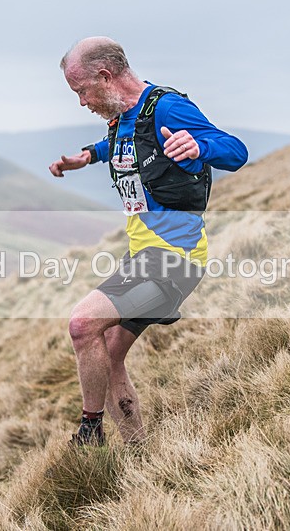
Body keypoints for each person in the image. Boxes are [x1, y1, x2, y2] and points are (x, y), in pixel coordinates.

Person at [49, 36, 247, 446]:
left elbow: (236, 150)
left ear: (104, 77)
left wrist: (200, 145)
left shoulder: (169, 108)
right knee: (108, 351)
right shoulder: (124, 115)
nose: (81, 102)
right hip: (145, 256)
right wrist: (88, 156)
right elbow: (125, 146)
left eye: (81, 90)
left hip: (174, 260)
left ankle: (90, 430)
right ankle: (140, 451)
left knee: (83, 324)